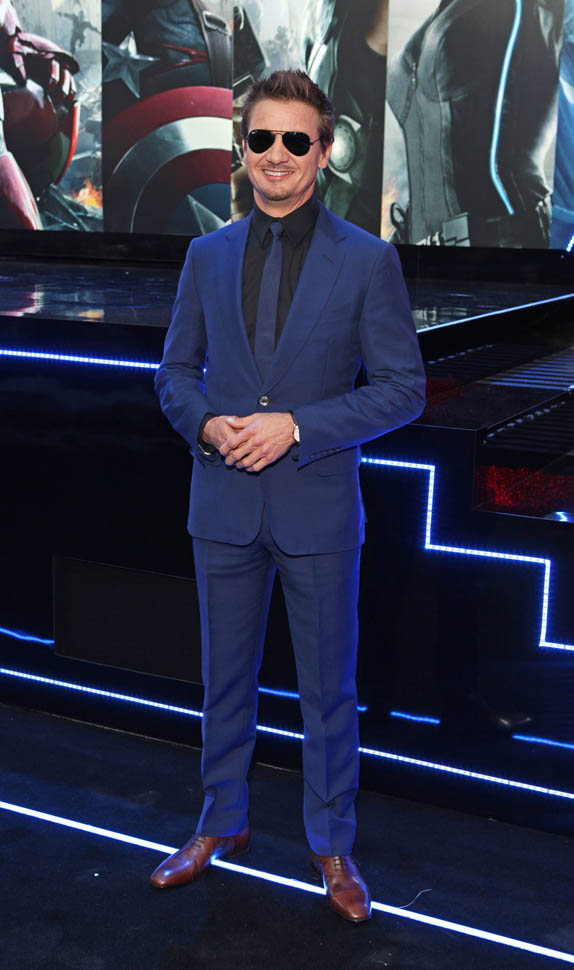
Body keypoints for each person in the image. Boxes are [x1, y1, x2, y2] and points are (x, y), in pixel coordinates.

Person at [151, 69, 426, 923]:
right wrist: (207, 425)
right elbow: (173, 374)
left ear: (324, 151)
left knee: (327, 693)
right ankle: (219, 821)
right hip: (222, 501)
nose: (277, 154)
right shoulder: (205, 255)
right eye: (262, 138)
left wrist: (298, 426)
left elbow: (403, 390)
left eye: (295, 139)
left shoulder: (369, 260)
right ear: (242, 149)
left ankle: (332, 845)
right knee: (222, 680)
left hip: (317, 508)